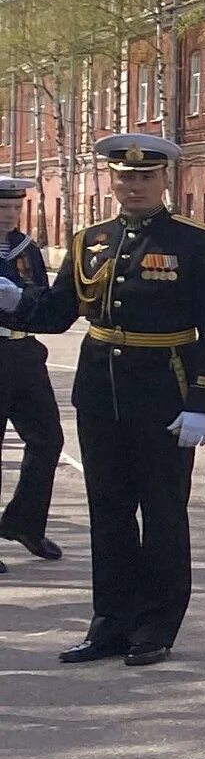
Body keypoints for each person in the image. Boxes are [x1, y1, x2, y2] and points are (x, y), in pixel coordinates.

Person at [4, 135, 205, 666]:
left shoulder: (195, 241)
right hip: (101, 389)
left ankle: (156, 625)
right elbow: (58, 314)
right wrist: (14, 301)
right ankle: (111, 623)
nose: (134, 186)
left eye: (146, 177)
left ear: (164, 180)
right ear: (111, 180)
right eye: (125, 177)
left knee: (163, 510)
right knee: (107, 511)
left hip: (165, 388)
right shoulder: (91, 240)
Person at [0, 176, 64, 564]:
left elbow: (42, 298)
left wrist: (22, 299)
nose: (8, 215)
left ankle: (25, 522)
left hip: (23, 353)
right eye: (1, 208)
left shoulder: (26, 249)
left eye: (13, 208)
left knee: (47, 440)